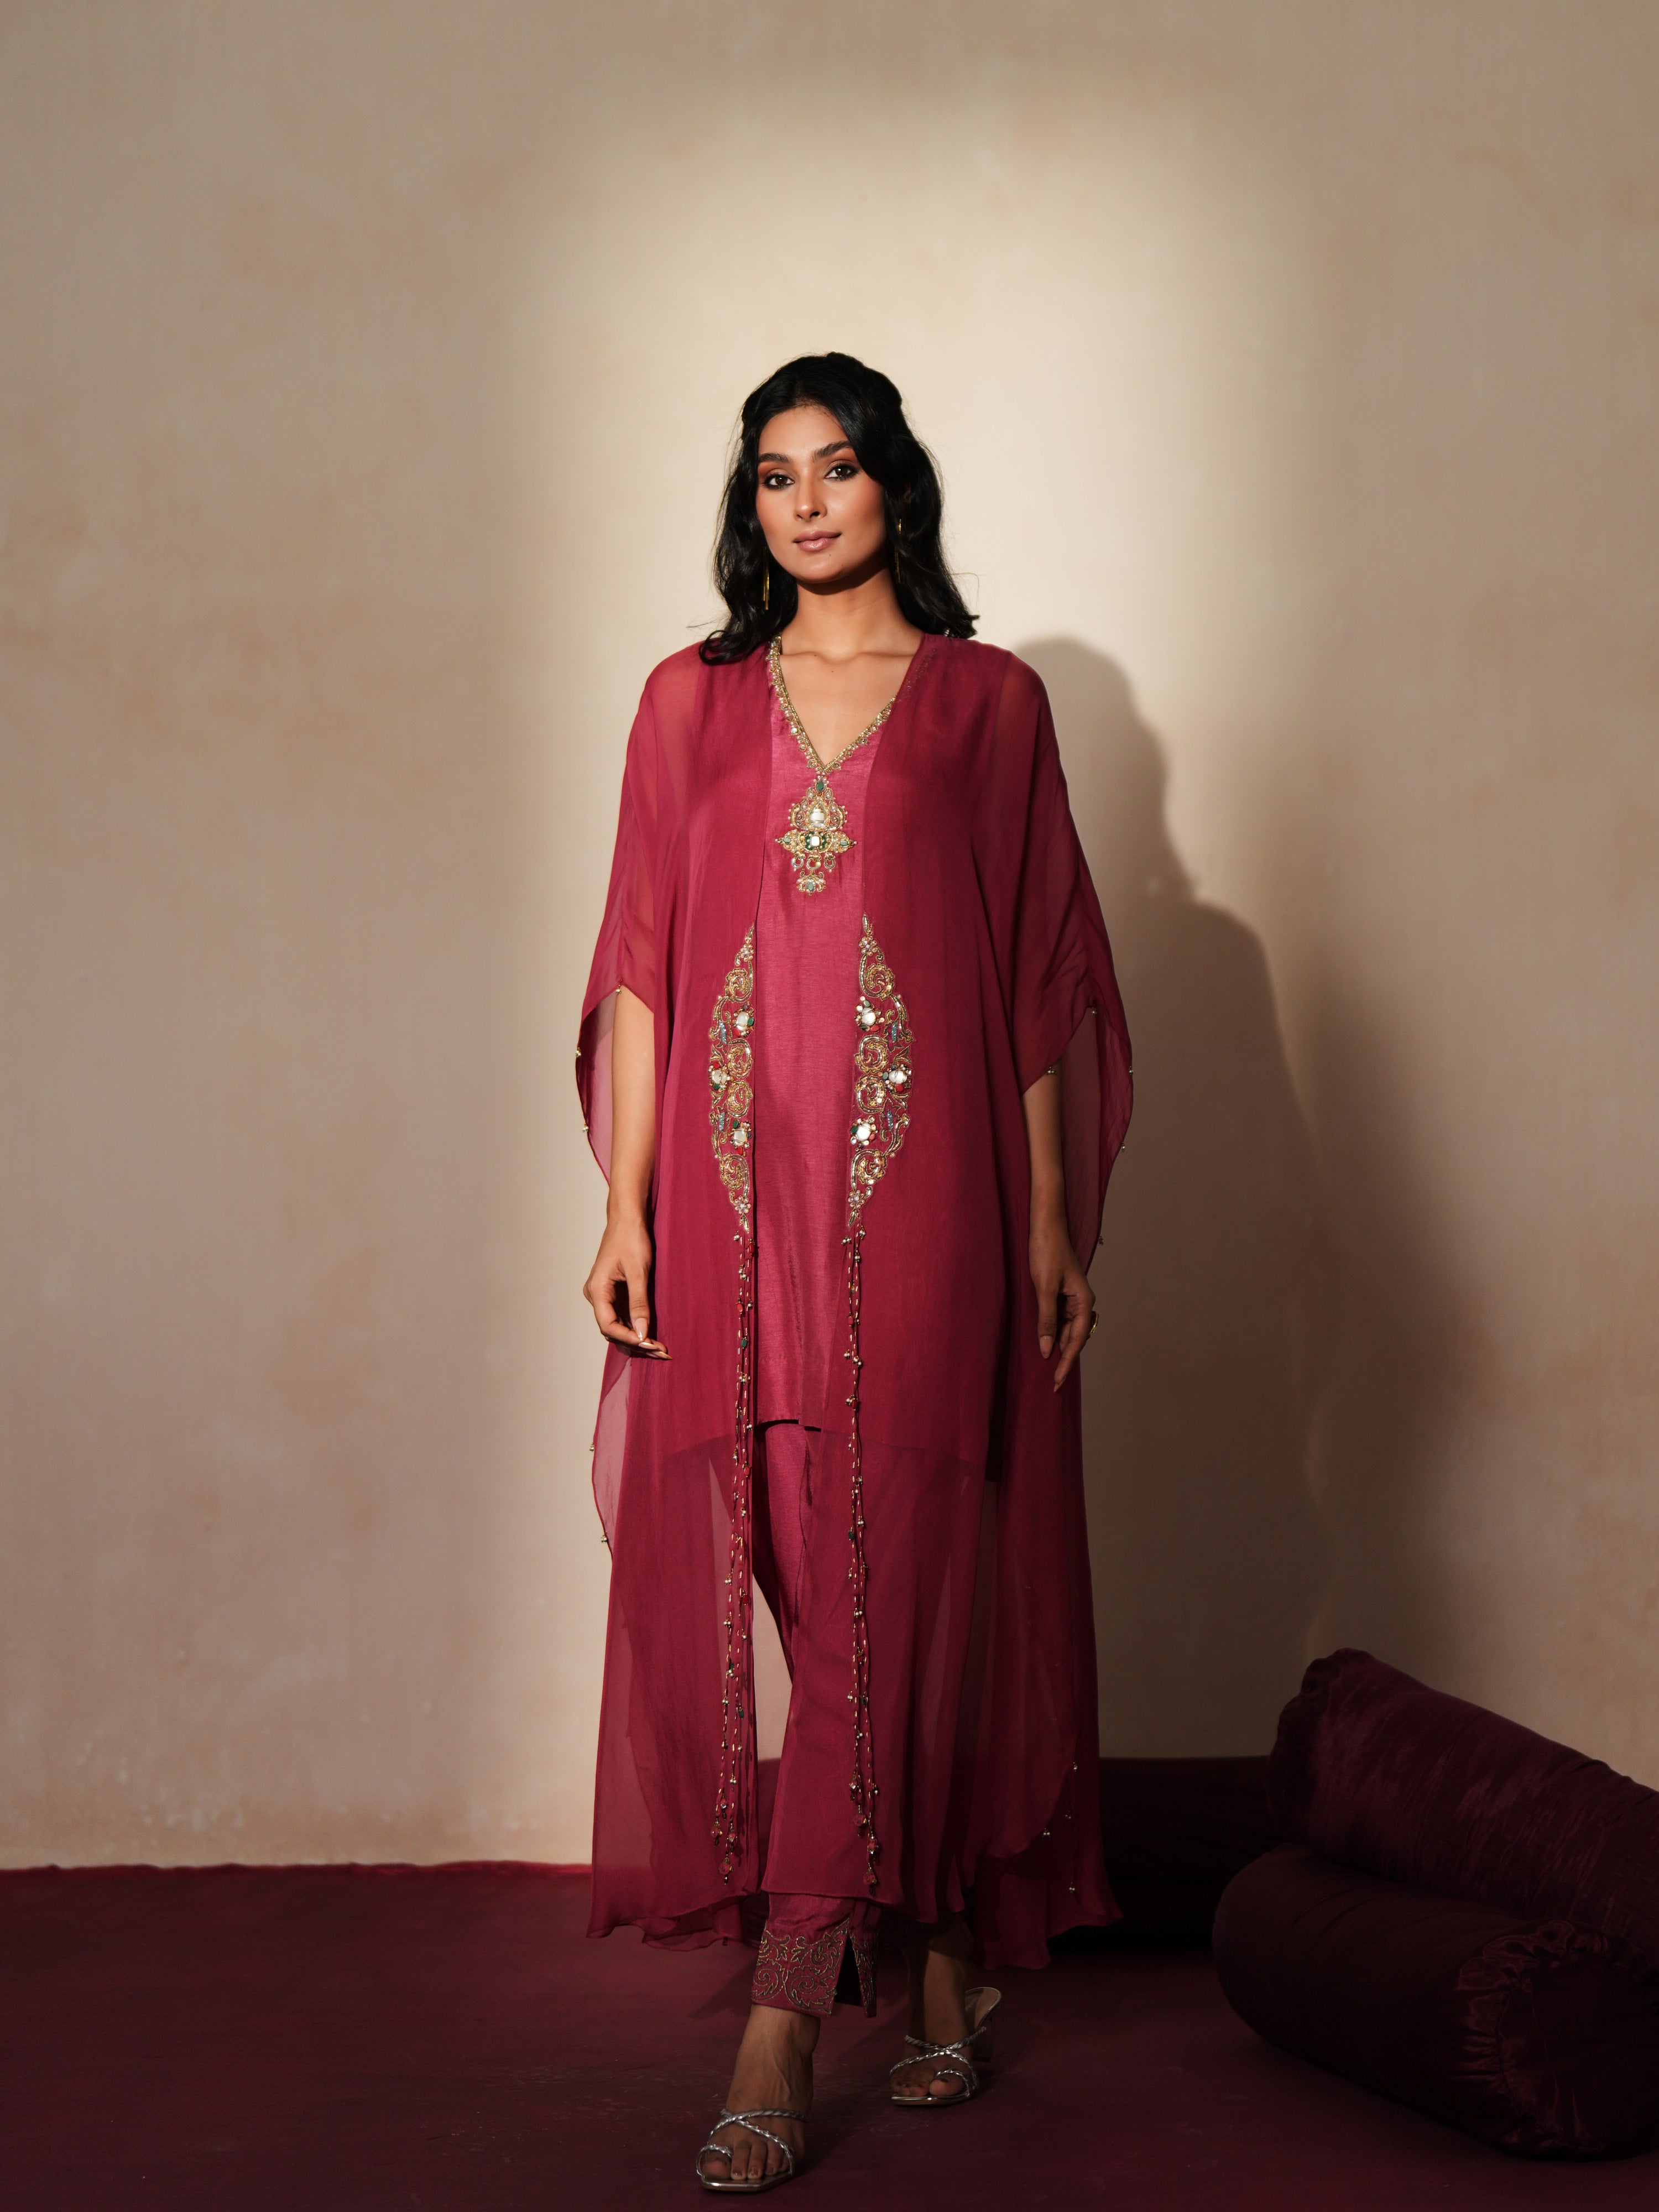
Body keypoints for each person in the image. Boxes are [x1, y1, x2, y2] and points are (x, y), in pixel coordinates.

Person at [577, 353, 1131, 2193]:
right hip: (741, 1216)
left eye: (838, 468)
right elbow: (645, 966)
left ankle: (785, 2015)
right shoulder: (687, 704)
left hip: (936, 1209)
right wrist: (628, 1206)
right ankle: (952, 1960)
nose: (805, 502)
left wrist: (1052, 1219)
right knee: (822, 1588)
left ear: (898, 483)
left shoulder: (989, 704)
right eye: (771, 478)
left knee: (901, 1567)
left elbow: (1039, 977)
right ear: (750, 510)